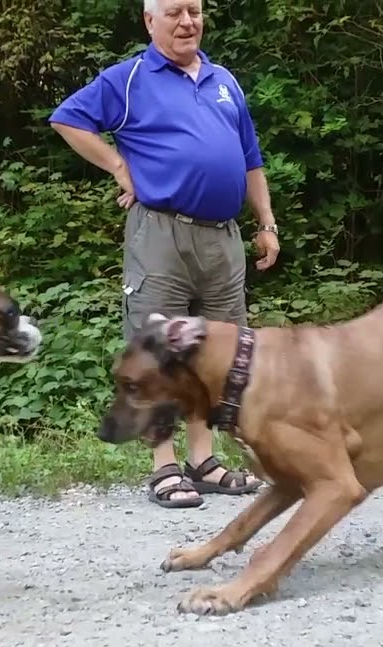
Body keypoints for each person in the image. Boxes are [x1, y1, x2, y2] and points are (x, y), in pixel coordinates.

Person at [48, 0, 281, 509]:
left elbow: (250, 158)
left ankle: (204, 461)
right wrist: (116, 165)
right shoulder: (128, 79)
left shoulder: (225, 80)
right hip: (161, 234)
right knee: (157, 350)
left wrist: (266, 223)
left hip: (223, 237)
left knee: (218, 353)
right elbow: (68, 119)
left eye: (194, 11)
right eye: (174, 12)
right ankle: (164, 467)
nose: (186, 21)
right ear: (150, 21)